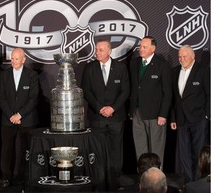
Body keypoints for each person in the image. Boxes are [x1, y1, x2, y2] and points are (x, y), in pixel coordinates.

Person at [81, 39, 130, 190]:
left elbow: (125, 91)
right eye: (96, 49)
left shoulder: (121, 68)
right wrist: (100, 108)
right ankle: (98, 179)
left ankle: (115, 179)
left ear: (109, 51)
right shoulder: (90, 68)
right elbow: (86, 91)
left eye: (101, 50)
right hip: (97, 117)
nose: (97, 52)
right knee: (97, 149)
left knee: (116, 149)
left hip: (116, 117)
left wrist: (112, 108)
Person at [0, 48, 39, 188]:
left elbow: (33, 98)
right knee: (7, 150)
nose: (14, 61)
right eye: (12, 58)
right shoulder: (4, 75)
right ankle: (6, 178)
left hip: (26, 120)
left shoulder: (32, 75)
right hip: (8, 120)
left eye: (17, 58)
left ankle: (22, 178)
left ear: (24, 59)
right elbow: (1, 97)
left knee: (24, 150)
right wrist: (11, 116)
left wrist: (19, 115)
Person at [129, 36, 172, 166]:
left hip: (155, 115)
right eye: (140, 46)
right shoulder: (134, 63)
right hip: (137, 113)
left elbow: (168, 93)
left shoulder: (162, 64)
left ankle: (157, 179)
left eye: (144, 47)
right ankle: (144, 178)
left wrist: (163, 114)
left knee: (156, 150)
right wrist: (132, 111)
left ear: (153, 49)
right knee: (140, 149)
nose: (140, 49)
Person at [170, 45, 210, 183]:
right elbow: (174, 98)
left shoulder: (203, 71)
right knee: (185, 154)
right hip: (181, 119)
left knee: (199, 152)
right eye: (179, 57)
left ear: (193, 56)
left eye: (184, 56)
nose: (181, 59)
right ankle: (188, 182)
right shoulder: (175, 72)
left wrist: (206, 116)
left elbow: (209, 95)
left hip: (199, 118)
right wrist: (173, 118)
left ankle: (199, 182)